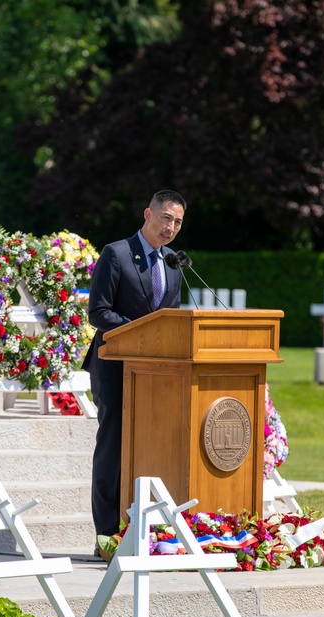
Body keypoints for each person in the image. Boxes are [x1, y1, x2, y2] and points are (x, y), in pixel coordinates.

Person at [82, 190, 186, 557]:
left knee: (151, 447)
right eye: (166, 218)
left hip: (154, 375)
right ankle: (106, 535)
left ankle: (143, 529)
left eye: (177, 222)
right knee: (113, 447)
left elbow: (169, 320)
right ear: (148, 214)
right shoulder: (117, 253)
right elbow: (98, 311)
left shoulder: (173, 262)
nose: (170, 227)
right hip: (114, 369)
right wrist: (137, 334)